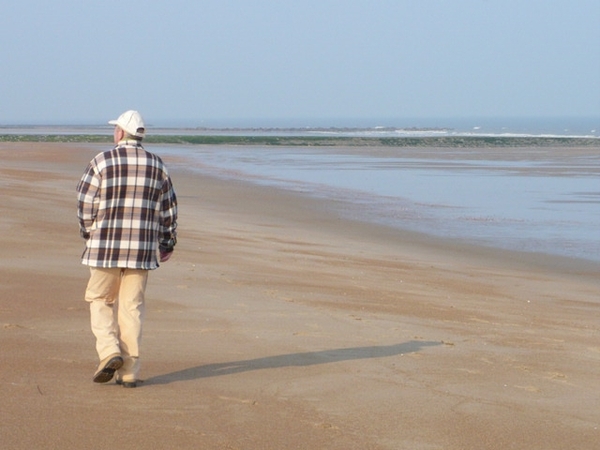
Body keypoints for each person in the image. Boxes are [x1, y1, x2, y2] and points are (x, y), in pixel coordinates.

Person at [76, 110, 178, 388]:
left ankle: (109, 351)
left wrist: (89, 233)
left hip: (105, 246)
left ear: (120, 133)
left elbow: (85, 202)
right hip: (142, 250)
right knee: (132, 308)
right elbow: (169, 209)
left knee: (100, 299)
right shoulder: (157, 165)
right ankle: (130, 370)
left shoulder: (102, 161)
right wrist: (167, 243)